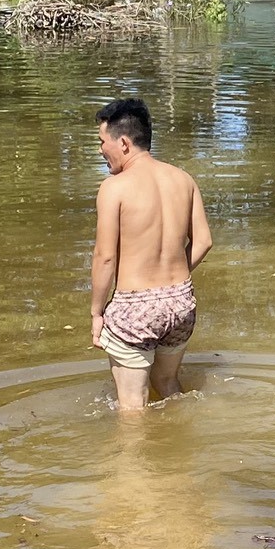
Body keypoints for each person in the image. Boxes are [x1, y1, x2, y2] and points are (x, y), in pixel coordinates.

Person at [89, 96, 212, 411]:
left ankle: (135, 462)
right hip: (181, 301)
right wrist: (173, 278)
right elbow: (203, 242)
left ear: (124, 143)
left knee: (132, 406)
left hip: (135, 305)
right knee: (167, 384)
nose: (100, 149)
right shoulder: (183, 179)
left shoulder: (114, 188)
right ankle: (181, 450)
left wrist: (96, 313)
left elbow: (105, 257)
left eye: (103, 141)